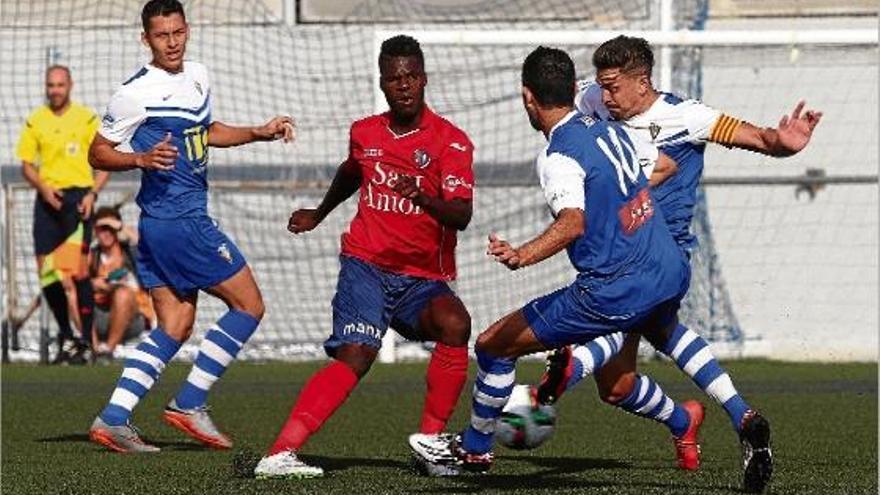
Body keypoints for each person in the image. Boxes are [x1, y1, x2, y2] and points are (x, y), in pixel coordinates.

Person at [532, 35, 821, 493]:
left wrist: (783, 142)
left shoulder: (688, 117)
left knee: (617, 313)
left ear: (643, 82)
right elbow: (566, 115)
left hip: (659, 251)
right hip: (618, 248)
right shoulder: (592, 98)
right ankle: (710, 417)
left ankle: (563, 376)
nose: (604, 98)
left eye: (613, 88)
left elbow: (759, 138)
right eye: (601, 88)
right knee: (619, 386)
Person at [411, 45, 691, 476]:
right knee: (616, 386)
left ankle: (474, 451)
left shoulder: (557, 154)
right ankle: (683, 419)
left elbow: (572, 223)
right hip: (652, 275)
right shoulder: (608, 130)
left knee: (491, 345)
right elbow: (667, 164)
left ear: (528, 97)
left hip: (607, 288)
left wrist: (521, 254)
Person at [253, 35, 474, 479]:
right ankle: (279, 454)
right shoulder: (365, 132)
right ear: (383, 83)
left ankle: (430, 443)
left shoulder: (451, 142)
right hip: (366, 266)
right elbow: (351, 171)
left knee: (456, 324)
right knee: (357, 353)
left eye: (411, 77)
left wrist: (424, 198)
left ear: (424, 78)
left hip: (420, 280)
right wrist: (318, 213)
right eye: (395, 80)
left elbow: (462, 214)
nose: (404, 86)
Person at [87, 0, 295, 453]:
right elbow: (97, 152)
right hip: (182, 222)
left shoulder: (198, 74)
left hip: (161, 226)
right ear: (146, 39)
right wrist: (138, 158)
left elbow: (206, 130)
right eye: (161, 35)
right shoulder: (134, 92)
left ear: (188, 29)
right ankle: (190, 401)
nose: (172, 42)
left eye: (178, 32)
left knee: (176, 325)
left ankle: (114, 418)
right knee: (249, 306)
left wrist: (257, 132)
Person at [16, 64, 109, 364]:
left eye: (60, 85)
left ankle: (87, 342)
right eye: (50, 85)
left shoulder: (86, 119)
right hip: (47, 200)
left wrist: (92, 194)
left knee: (79, 273)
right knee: (47, 273)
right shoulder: (36, 120)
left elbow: (105, 161)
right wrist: (42, 188)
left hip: (77, 201)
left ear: (70, 85)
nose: (55, 90)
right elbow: (27, 165)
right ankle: (67, 336)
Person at [89, 207, 154, 362]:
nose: (106, 233)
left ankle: (107, 352)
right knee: (76, 292)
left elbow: (146, 244)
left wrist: (118, 225)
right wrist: (92, 284)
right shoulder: (93, 254)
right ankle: (94, 348)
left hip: (132, 319)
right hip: (100, 317)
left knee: (122, 293)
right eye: (101, 229)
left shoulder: (130, 251)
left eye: (110, 228)